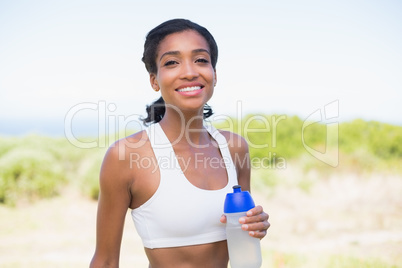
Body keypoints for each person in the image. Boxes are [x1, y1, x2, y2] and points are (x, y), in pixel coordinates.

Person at [90, 18, 270, 268]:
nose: (189, 72)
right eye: (172, 62)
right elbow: (105, 261)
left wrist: (254, 225)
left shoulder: (235, 148)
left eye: (201, 60)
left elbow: (241, 240)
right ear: (154, 80)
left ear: (214, 75)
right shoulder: (126, 156)